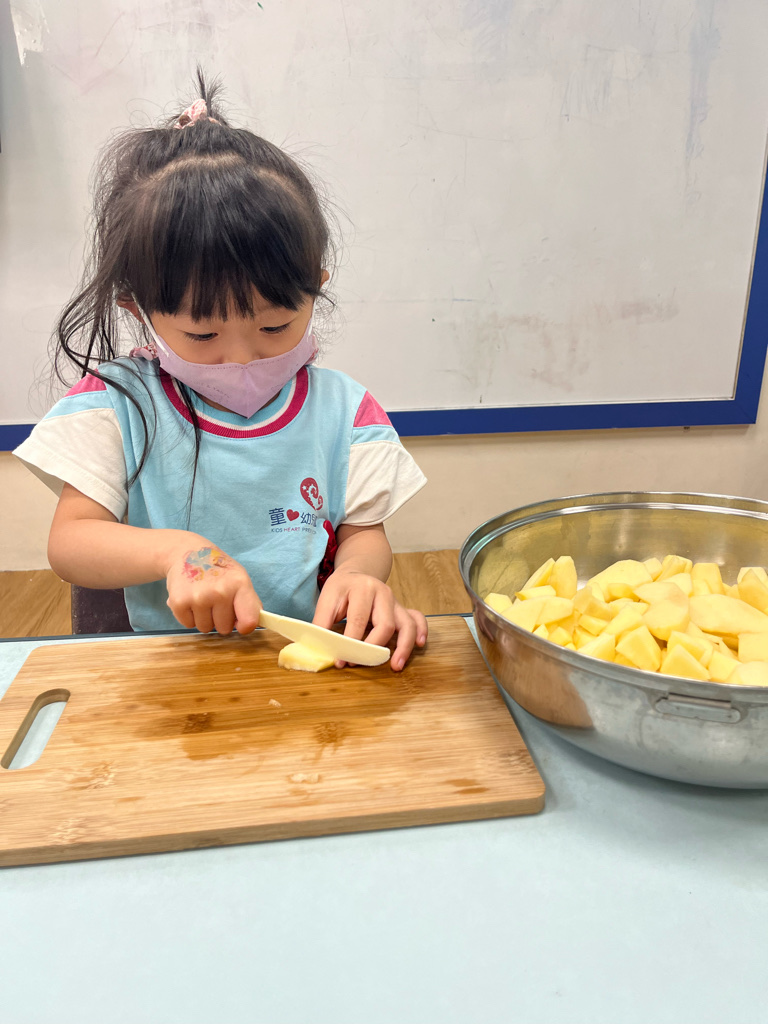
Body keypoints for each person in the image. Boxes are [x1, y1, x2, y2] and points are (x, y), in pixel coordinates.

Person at [14, 75, 428, 671]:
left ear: (316, 286)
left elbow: (363, 532)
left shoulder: (346, 412)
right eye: (203, 335)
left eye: (275, 326)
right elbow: (71, 541)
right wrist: (178, 552)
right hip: (168, 674)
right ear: (138, 308)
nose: (241, 358)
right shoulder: (117, 404)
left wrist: (359, 577)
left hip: (299, 667)